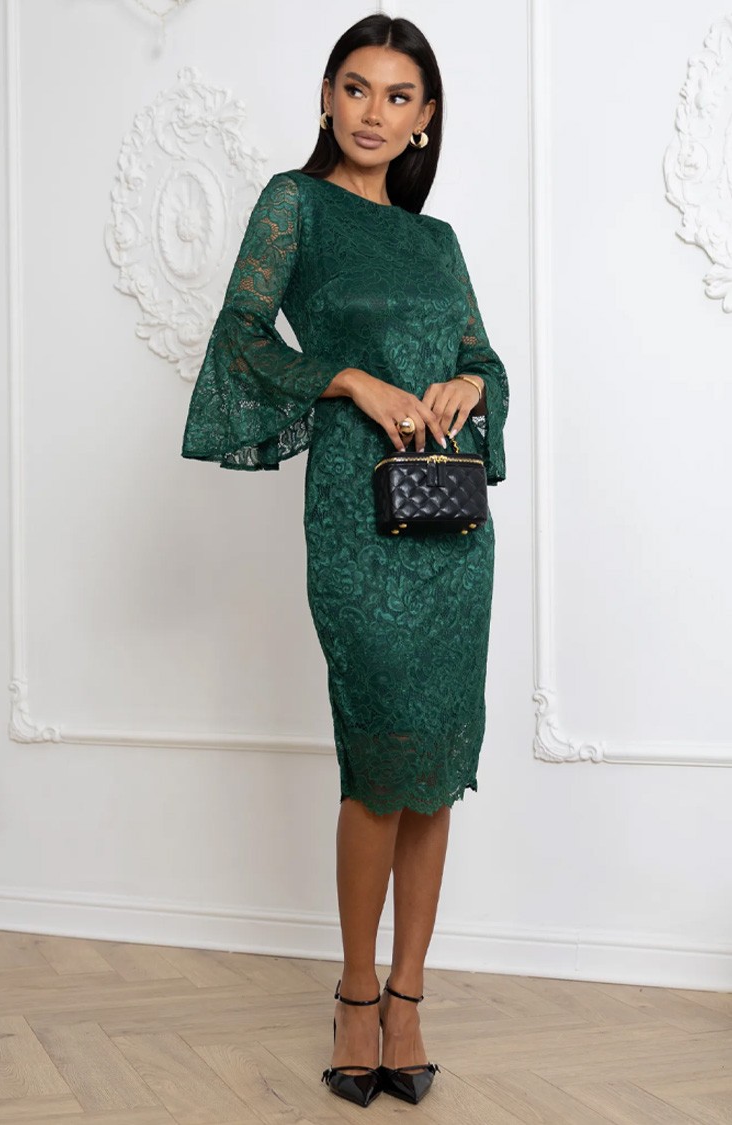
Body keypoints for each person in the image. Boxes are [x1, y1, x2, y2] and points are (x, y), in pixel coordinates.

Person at [181, 13, 510, 1110]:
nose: (375, 112)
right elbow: (240, 332)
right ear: (328, 98)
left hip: (451, 531)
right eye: (357, 88)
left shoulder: (437, 241)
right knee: (380, 761)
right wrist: (349, 379)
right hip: (355, 521)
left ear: (425, 120)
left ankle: (409, 997)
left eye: (399, 95)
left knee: (436, 765)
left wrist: (470, 384)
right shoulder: (295, 205)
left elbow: (485, 359)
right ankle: (356, 993)